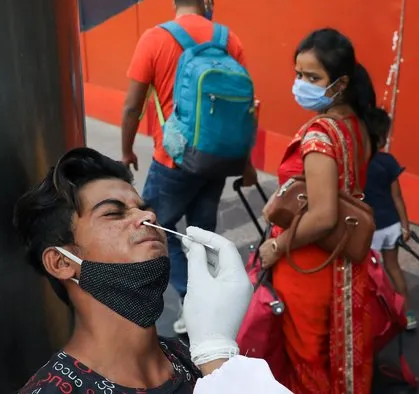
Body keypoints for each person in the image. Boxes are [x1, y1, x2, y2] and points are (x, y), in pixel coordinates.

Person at [15, 147, 290, 394]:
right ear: (62, 263)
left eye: (143, 208)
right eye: (113, 213)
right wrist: (217, 358)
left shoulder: (189, 358)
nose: (148, 217)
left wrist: (216, 358)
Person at [120, 0, 257, 335]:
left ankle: (182, 299)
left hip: (173, 160)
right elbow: (245, 111)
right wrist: (246, 164)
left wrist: (126, 151)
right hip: (216, 160)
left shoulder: (154, 39)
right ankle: (207, 306)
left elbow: (132, 105)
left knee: (155, 229)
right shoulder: (231, 42)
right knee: (201, 236)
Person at [258, 28, 378, 393]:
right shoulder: (357, 126)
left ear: (339, 83)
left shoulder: (320, 135)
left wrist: (276, 248)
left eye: (312, 78)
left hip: (307, 263)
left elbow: (324, 215)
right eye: (298, 74)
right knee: (336, 356)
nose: (300, 84)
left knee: (307, 364)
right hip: (344, 263)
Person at [363, 108, 416, 330]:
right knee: (393, 267)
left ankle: (379, 317)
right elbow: (397, 197)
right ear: (383, 137)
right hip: (392, 225)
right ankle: (407, 314)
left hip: (370, 229)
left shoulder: (358, 164)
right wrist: (405, 225)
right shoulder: (388, 161)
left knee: (371, 275)